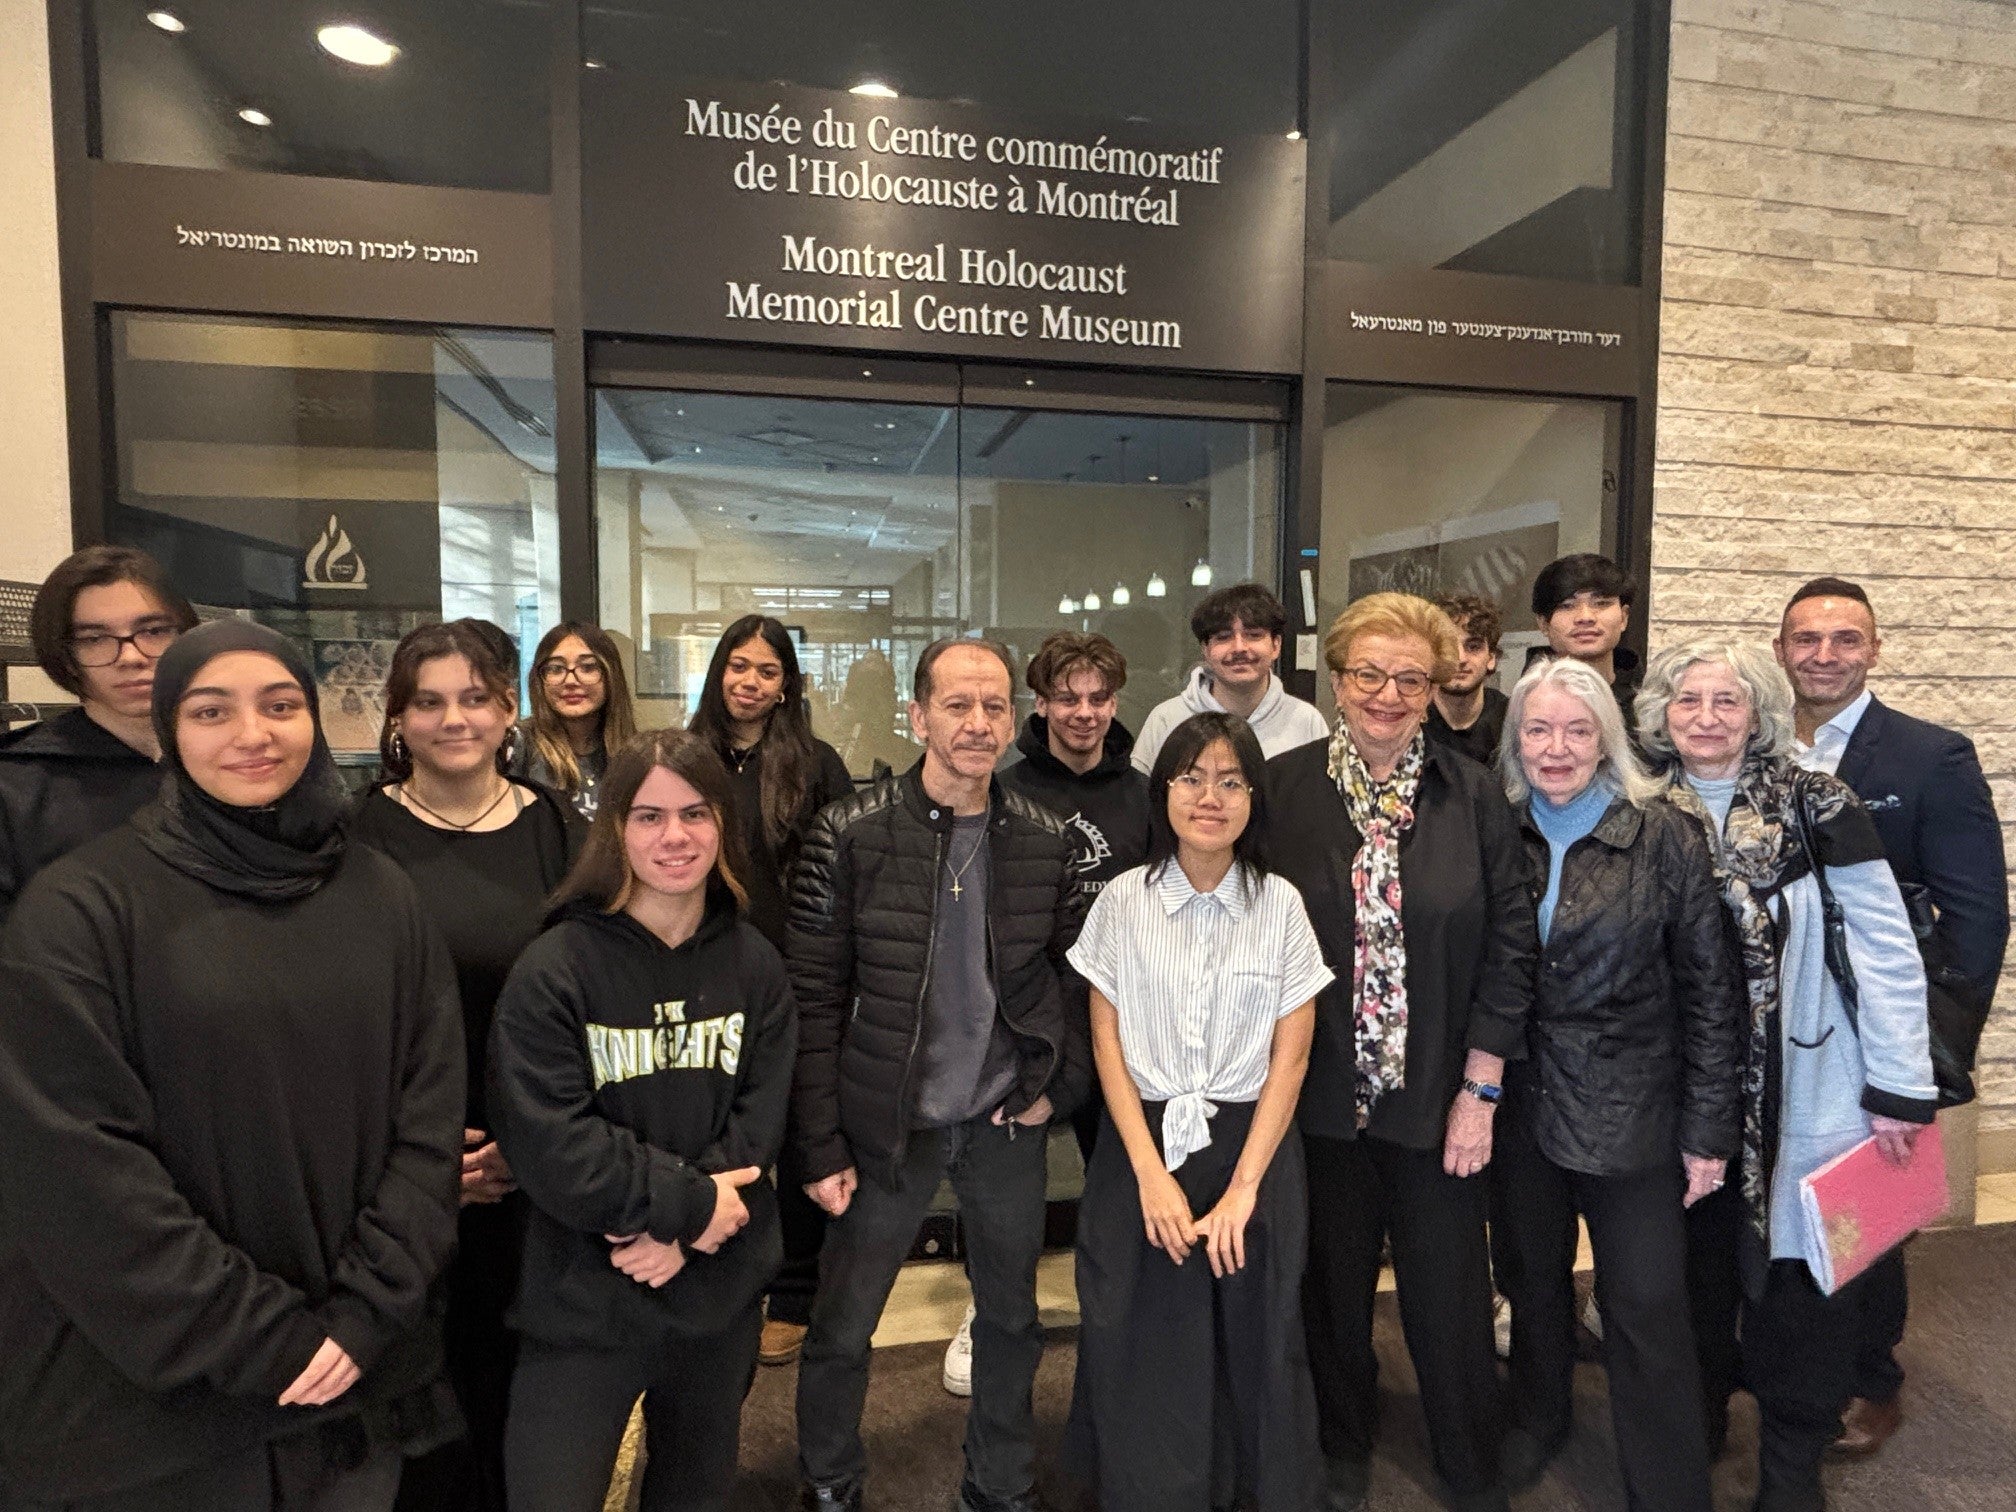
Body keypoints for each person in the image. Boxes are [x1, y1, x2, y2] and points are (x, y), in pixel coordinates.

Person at [0, 620, 464, 1511]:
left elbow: (429, 1115)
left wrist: (370, 1311)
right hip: (168, 1414)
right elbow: (77, 1171)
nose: (253, 734)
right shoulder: (80, 910)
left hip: (355, 1378)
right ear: (171, 729)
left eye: (280, 705)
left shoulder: (379, 893)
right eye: (213, 711)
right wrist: (264, 1340)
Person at [788, 638, 1088, 1512]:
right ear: (917, 716)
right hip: (886, 1124)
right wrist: (817, 1143)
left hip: (1000, 1120)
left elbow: (1077, 985)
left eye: (994, 706)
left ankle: (998, 1485)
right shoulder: (848, 833)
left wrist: (1051, 1093)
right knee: (844, 1325)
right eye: (957, 705)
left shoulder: (1044, 840)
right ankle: (830, 1483)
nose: (978, 723)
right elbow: (810, 1001)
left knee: (1012, 1322)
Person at [1638, 640, 1937, 1512]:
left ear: (1761, 713)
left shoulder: (1818, 801)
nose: (1705, 718)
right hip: (1677, 1095)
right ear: (1661, 713)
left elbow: (1883, 944)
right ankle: (1693, 1426)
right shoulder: (1637, 806)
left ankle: (1790, 1466)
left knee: (1805, 1291)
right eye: (1687, 701)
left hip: (1808, 1087)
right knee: (1690, 1273)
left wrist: (1898, 1084)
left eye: (1726, 702)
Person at [1263, 592, 1537, 1512]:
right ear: (1336, 680)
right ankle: (1342, 1446)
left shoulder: (1474, 794)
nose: (1387, 694)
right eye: (1368, 674)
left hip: (1439, 1100)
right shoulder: (1279, 790)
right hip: (1317, 1098)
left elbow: (1511, 946)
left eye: (1409, 677)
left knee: (1451, 1299)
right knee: (1331, 1292)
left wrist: (1482, 1088)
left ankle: (1469, 1461)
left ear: (1437, 686)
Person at [489, 729, 795, 1512]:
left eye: (695, 814)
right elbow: (551, 1140)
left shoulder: (756, 964)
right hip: (585, 1295)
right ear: (615, 829)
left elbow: (759, 1123)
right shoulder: (554, 968)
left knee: (695, 1493)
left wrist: (688, 1231)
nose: (675, 837)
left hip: (714, 1298)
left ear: (723, 826)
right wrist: (681, 1210)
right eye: (650, 816)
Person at [1065, 710, 1331, 1512]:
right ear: (1164, 791)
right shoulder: (1122, 899)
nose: (1209, 797)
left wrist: (1246, 1189)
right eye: (1191, 778)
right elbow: (1105, 1044)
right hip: (1142, 1149)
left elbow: (1294, 1054)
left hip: (1255, 1148)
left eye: (1230, 781)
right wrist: (1149, 1174)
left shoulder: (1280, 904)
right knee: (1142, 1332)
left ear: (1254, 797)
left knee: (1260, 1333)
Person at [1494, 656, 1742, 1508]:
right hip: (1521, 1102)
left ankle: (1669, 1486)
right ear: (1515, 739)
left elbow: (1711, 992)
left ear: (1605, 738)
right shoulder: (1501, 828)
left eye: (1576, 728)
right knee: (1530, 1279)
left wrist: (1710, 1129)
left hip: (1635, 1105)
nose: (1556, 747)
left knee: (1644, 1306)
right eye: (1538, 729)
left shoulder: (1664, 832)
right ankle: (1538, 1419)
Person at [347, 620, 584, 1512]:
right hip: (401, 1148)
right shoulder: (353, 832)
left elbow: (587, 1000)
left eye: (476, 697)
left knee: (516, 1381)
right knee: (415, 1388)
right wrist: (424, 1157)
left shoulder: (555, 825)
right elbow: (340, 1018)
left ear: (509, 708)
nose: (456, 718)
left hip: (530, 1145)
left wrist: (530, 1144)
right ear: (398, 718)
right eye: (430, 701)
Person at [1774, 576, 2009, 1456]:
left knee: (1866, 1207)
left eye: (1844, 639)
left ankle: (1872, 1377)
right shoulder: (1756, 748)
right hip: (1779, 1030)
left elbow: (1977, 917)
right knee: (1783, 1205)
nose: (1824, 655)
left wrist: (1927, 1048)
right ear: (1780, 650)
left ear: (1874, 648)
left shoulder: (1927, 756)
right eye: (1807, 639)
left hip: (1876, 1035)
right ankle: (1784, 1364)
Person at [685, 614, 853, 1369]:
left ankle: (792, 1290)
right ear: (719, 671)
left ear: (788, 684)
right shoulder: (686, 758)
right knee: (714, 1122)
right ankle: (717, 1263)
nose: (750, 682)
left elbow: (842, 877)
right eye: (739, 666)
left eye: (768, 670)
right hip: (700, 967)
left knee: (791, 1127)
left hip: (792, 971)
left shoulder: (815, 763)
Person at [0, 546, 195, 921]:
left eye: (153, 631)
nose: (132, 657)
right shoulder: (16, 788)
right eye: (94, 639)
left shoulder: (235, 759)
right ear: (65, 656)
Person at [1133, 583, 1328, 773]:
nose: (1239, 648)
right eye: (1224, 637)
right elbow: (1140, 800)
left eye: (1253, 635)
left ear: (1276, 645)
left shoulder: (1306, 721)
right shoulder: (1166, 720)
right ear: (1206, 650)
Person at [519, 622, 639, 820]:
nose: (571, 681)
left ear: (611, 675)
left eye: (588, 667)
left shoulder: (636, 753)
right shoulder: (518, 746)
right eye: (556, 669)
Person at [1530, 554, 1642, 727]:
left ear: (1624, 617)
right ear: (1544, 623)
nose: (1585, 617)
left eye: (1601, 603)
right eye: (1567, 605)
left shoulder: (1651, 708)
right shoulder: (1521, 707)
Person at [1425, 591, 1508, 767]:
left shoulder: (1512, 719)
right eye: (1447, 648)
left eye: (1473, 646)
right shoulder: (1410, 718)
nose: (1461, 658)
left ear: (1491, 658)